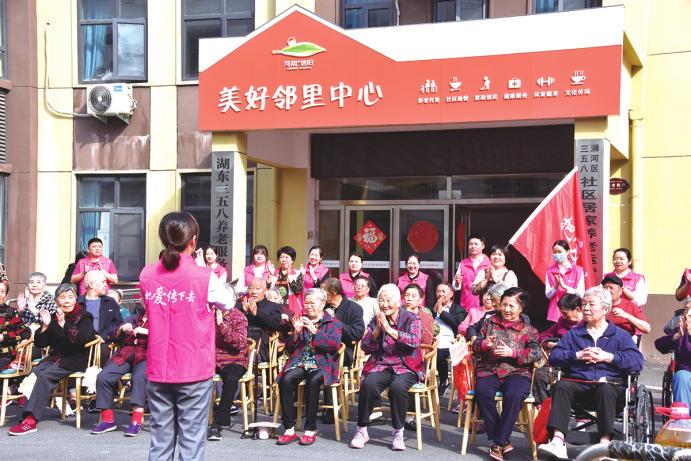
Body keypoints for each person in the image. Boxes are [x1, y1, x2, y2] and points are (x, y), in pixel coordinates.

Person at [139, 212, 236, 461]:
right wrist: (204, 269)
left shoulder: (147, 275)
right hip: (193, 367)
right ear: (193, 240)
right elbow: (228, 302)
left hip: (159, 367)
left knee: (160, 442)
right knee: (191, 442)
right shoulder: (203, 276)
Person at [538, 286, 644, 460]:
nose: (586, 308)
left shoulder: (620, 335)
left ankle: (605, 445)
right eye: (584, 304)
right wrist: (577, 355)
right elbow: (555, 357)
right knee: (561, 386)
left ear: (605, 309)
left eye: (591, 304)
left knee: (605, 389)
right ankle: (557, 441)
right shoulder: (574, 334)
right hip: (578, 384)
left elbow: (637, 361)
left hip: (609, 386)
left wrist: (609, 357)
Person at [8, 283, 96, 436]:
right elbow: (40, 343)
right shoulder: (54, 316)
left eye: (70, 297)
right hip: (56, 357)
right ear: (56, 300)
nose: (67, 301)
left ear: (75, 299)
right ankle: (26, 415)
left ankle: (31, 420)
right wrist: (45, 326)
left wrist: (63, 324)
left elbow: (82, 339)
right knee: (35, 373)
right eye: (63, 297)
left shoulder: (84, 316)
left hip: (76, 358)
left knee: (45, 375)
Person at [350, 284, 423, 451]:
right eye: (381, 300)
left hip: (406, 365)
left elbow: (414, 341)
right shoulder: (377, 319)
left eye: (389, 300)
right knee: (368, 385)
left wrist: (389, 330)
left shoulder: (412, 318)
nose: (385, 304)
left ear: (398, 302)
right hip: (381, 364)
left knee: (397, 388)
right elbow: (365, 346)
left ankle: (398, 432)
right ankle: (362, 430)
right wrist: (377, 330)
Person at [471, 287, 541, 461]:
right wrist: (484, 344)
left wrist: (514, 353)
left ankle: (498, 443)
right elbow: (475, 345)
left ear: (521, 308)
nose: (507, 309)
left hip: (517, 372)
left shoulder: (529, 330)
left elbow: (536, 353)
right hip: (489, 369)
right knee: (482, 392)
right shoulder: (489, 323)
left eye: (511, 306)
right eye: (504, 305)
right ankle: (503, 441)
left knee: (514, 394)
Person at [276, 288, 343, 446]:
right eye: (306, 303)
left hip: (322, 362)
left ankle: (310, 429)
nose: (308, 306)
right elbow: (289, 349)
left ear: (322, 304)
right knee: (285, 379)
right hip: (300, 361)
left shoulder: (333, 323)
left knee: (312, 382)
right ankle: (289, 429)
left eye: (312, 303)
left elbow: (334, 345)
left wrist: (314, 331)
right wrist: (296, 333)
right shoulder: (300, 319)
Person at [92, 306, 149, 437]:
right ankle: (107, 420)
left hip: (147, 355)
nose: (146, 300)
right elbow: (114, 336)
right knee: (103, 377)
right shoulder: (132, 318)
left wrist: (147, 332)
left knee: (139, 378)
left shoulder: (161, 319)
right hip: (126, 354)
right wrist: (121, 329)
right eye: (144, 297)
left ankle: (136, 420)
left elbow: (168, 337)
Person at [207, 305, 249, 441]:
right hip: (211, 358)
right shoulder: (208, 314)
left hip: (234, 359)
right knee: (192, 374)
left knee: (231, 380)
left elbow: (240, 342)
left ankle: (217, 424)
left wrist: (221, 325)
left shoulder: (239, 317)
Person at [533, 294, 583, 405]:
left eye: (565, 313)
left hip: (578, 365)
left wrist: (563, 345)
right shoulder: (562, 322)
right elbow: (543, 336)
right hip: (559, 363)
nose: (562, 315)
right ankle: (544, 406)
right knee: (539, 374)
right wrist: (550, 344)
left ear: (577, 310)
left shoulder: (587, 325)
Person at [655, 298, 691, 407]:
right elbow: (659, 344)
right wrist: (677, 335)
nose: (688, 314)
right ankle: (683, 416)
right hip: (686, 374)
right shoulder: (681, 331)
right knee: (681, 376)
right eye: (686, 310)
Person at [432, 282, 467, 395]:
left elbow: (457, 324)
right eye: (438, 291)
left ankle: (444, 380)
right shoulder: (432, 308)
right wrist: (435, 311)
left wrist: (442, 312)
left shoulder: (458, 309)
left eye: (443, 291)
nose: (440, 294)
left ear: (451, 294)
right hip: (433, 341)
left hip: (450, 341)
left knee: (440, 354)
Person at [322, 277, 364, 367]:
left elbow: (356, 334)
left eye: (323, 293)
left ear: (333, 293)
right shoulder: (322, 306)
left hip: (342, 351)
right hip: (321, 346)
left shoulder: (354, 308)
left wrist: (334, 320)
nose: (320, 295)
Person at [241, 277, 283, 361]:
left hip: (260, 348)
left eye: (258, 289)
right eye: (251, 288)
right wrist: (243, 312)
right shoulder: (241, 305)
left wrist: (257, 313)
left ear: (265, 291)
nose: (254, 292)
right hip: (240, 344)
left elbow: (275, 325)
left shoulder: (273, 307)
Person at [79, 270, 124, 346]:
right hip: (81, 344)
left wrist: (104, 336)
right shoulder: (78, 302)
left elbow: (118, 322)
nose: (106, 285)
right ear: (91, 284)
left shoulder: (110, 302)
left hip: (104, 343)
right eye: (103, 282)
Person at [545, 240, 585, 323]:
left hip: (572, 313)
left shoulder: (578, 271)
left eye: (559, 252)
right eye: (555, 252)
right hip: (554, 314)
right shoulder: (550, 271)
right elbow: (548, 295)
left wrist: (565, 287)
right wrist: (555, 287)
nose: (557, 254)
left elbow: (581, 294)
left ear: (567, 251)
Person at [452, 233, 491, 312]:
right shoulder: (463, 264)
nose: (473, 246)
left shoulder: (489, 263)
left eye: (476, 244)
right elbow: (455, 287)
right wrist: (457, 282)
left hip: (485, 306)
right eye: (471, 244)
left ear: (483, 246)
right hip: (466, 305)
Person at [0, 280, 31, 370]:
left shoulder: (10, 312)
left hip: (4, 355)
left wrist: (4, 337)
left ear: (6, 296)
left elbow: (26, 333)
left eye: (2, 291)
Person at [269, 246, 304, 317]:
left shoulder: (297, 273)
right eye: (281, 257)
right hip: (276, 308)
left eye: (287, 257)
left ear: (292, 260)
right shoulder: (274, 273)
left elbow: (298, 290)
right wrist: (269, 281)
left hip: (293, 308)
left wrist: (289, 275)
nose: (284, 259)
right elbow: (269, 290)